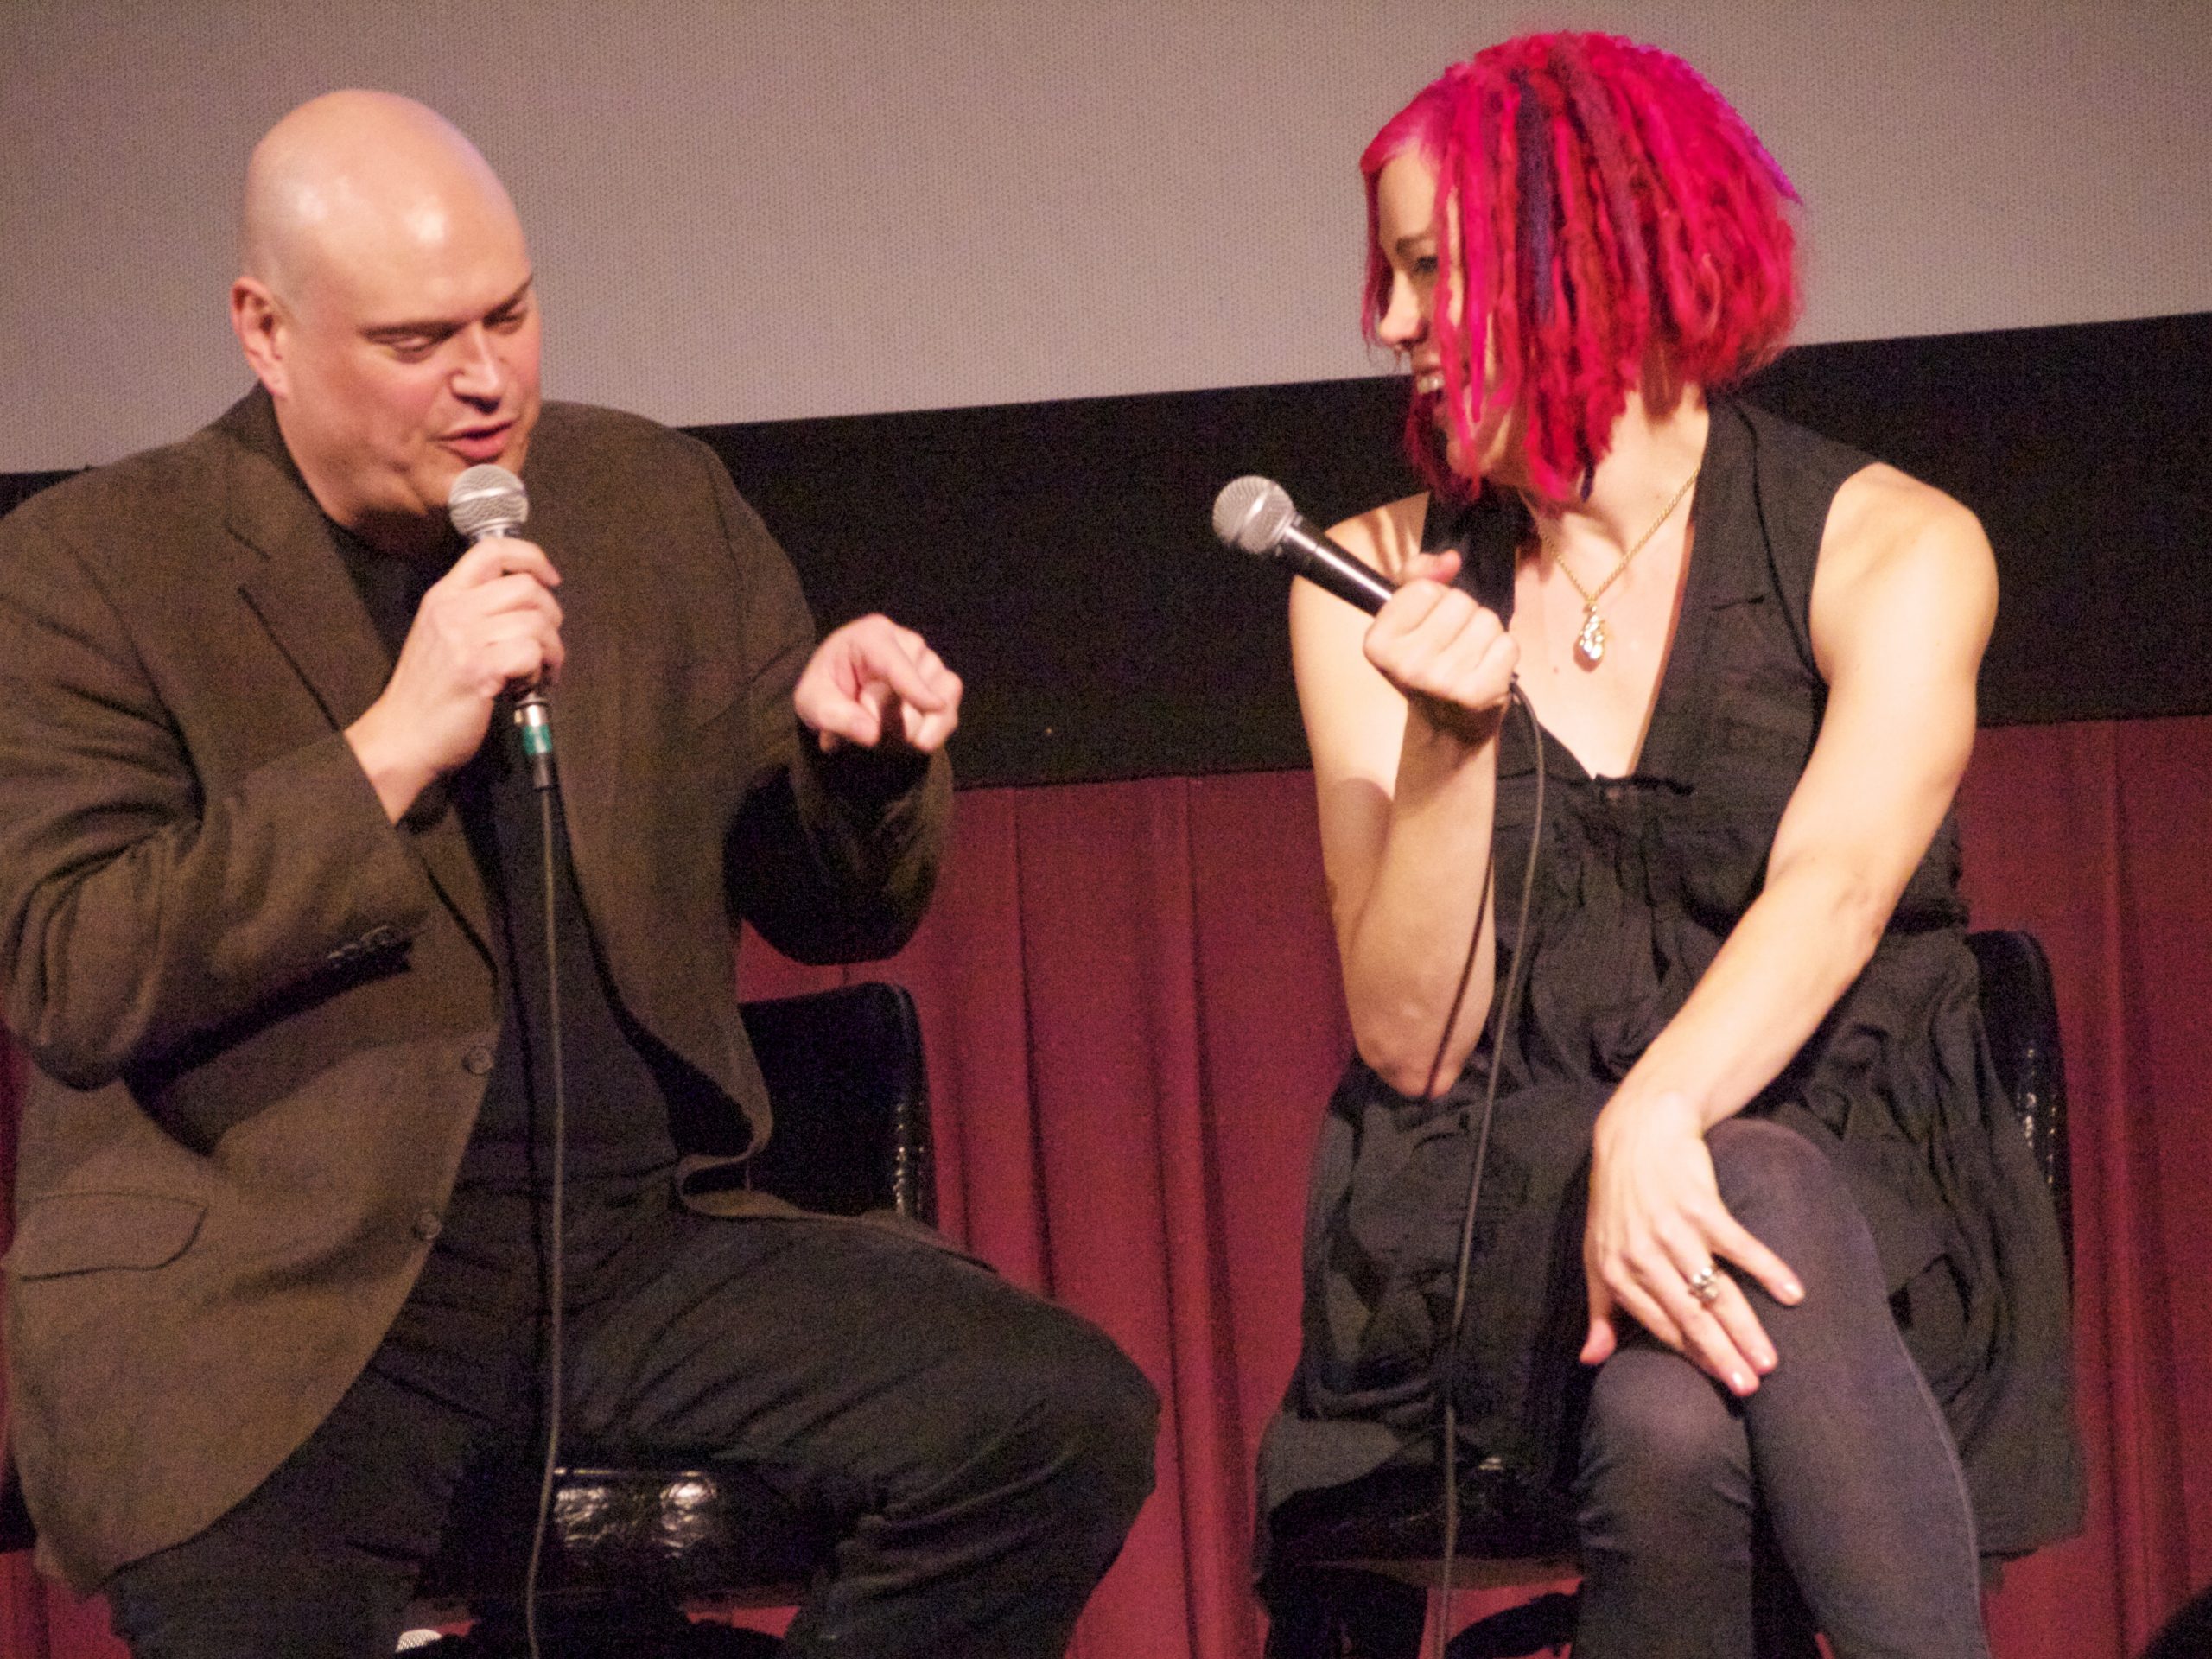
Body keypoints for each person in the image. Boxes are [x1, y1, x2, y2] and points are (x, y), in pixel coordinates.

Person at [0, 91, 1155, 1659]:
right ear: (265, 332)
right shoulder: (91, 570)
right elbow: (74, 967)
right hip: (285, 1296)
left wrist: (857, 763)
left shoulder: (648, 503)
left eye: (513, 315)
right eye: (419, 342)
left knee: (1054, 1421)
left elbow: (836, 909)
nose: (487, 381)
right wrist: (390, 747)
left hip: (636, 1251)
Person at [1254, 32, 2079, 1659]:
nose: (1388, 322)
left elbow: (1839, 891)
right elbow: (1415, 1044)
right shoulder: (1363, 577)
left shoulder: (1896, 548)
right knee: (1713, 1254)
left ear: (1588, 261)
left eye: (1430, 271)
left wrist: (1663, 1115)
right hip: (1510, 1226)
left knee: (1683, 1400)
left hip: (1849, 1194)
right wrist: (1446, 748)